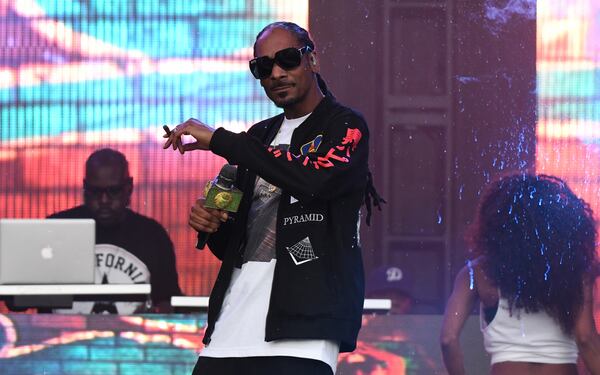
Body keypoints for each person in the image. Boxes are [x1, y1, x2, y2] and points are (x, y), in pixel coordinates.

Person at [163, 21, 383, 375]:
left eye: (287, 59)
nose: (277, 73)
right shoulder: (258, 136)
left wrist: (221, 140)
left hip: (304, 333)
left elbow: (314, 180)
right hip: (230, 330)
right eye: (264, 67)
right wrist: (212, 225)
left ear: (313, 59)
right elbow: (238, 243)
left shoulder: (345, 126)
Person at [440, 174, 600, 374]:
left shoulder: (477, 272)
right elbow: (586, 339)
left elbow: (448, 339)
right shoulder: (575, 271)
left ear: (497, 224)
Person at [49, 148, 182, 314]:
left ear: (129, 188)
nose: (104, 200)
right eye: (95, 191)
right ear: (85, 188)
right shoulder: (55, 230)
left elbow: (167, 302)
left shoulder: (152, 235)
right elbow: (19, 299)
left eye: (113, 191)